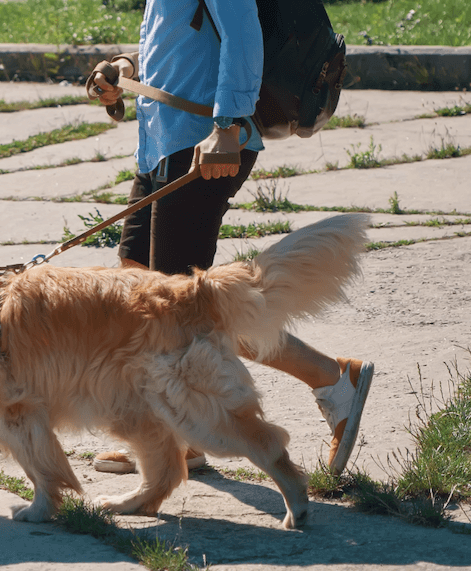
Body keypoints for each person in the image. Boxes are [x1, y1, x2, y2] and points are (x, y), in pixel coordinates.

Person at [85, 0, 374, 475]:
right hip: (162, 142)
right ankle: (185, 435)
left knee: (179, 310)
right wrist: (126, 68)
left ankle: (333, 379)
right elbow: (182, 37)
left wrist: (230, 124)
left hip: (204, 142)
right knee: (139, 288)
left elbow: (242, 35)